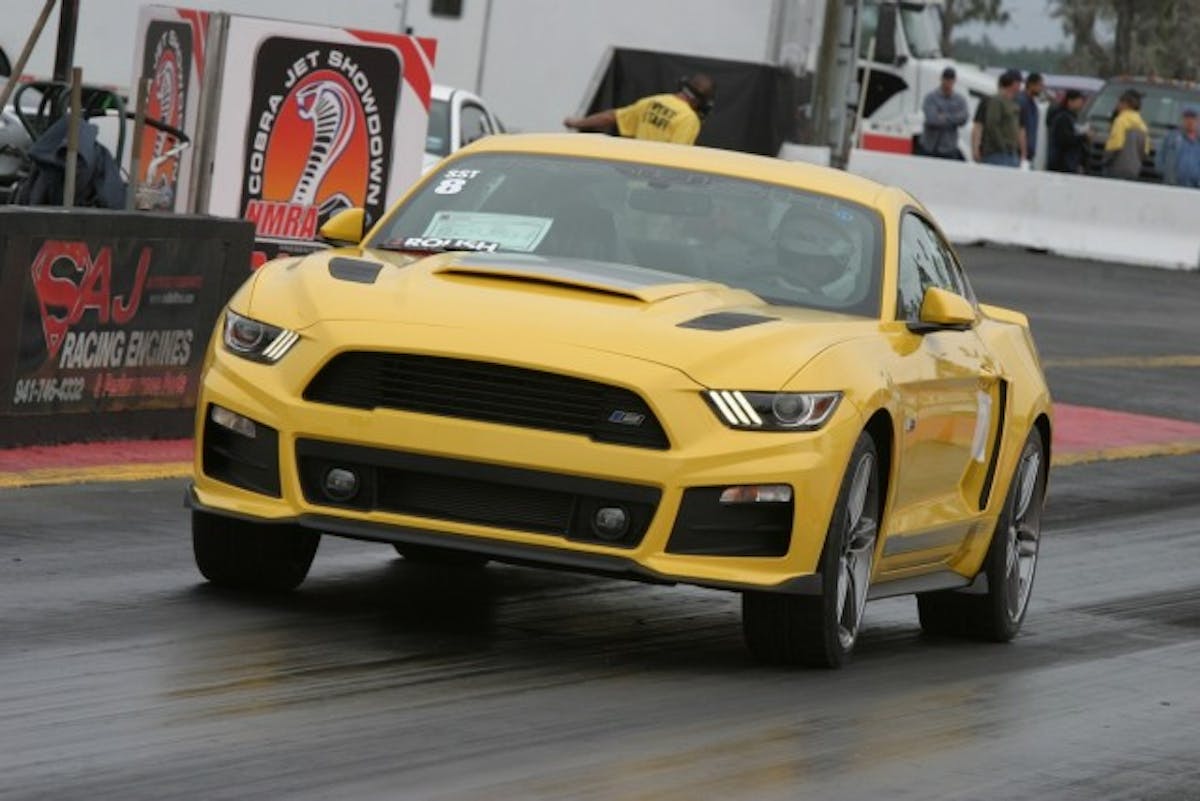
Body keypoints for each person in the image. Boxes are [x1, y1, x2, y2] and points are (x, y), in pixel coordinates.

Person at [563, 74, 716, 146]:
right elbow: (677, 156)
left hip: (634, 173)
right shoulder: (689, 119)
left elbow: (611, 117)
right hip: (657, 187)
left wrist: (577, 123)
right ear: (700, 102)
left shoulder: (652, 101)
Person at [972, 70, 1026, 167]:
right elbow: (986, 125)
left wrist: (1022, 152)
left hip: (1012, 153)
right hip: (996, 153)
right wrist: (976, 148)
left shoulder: (1016, 103)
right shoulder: (994, 101)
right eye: (1018, 82)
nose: (1020, 86)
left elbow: (1020, 129)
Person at [919, 67, 969, 159]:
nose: (948, 82)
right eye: (946, 79)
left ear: (954, 81)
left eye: (950, 80)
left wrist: (944, 116)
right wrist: (953, 118)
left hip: (949, 149)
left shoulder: (960, 100)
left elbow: (963, 118)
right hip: (929, 147)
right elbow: (931, 119)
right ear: (941, 79)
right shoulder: (931, 97)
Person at [1102, 89, 1149, 180]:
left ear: (1126, 104)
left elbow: (1115, 144)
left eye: (1119, 103)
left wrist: (1105, 159)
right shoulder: (1142, 125)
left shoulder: (1121, 120)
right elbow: (1145, 151)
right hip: (1134, 170)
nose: (1117, 106)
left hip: (1117, 167)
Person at [1046, 89, 1090, 174]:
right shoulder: (1063, 118)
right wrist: (1084, 137)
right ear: (1070, 101)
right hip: (1062, 164)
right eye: (1079, 101)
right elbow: (1065, 139)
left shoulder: (1072, 117)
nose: (1081, 104)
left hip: (1070, 164)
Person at [1155, 107, 1200, 188]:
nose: (1190, 121)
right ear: (1182, 120)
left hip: (1195, 188)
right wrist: (1166, 174)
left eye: (1193, 118)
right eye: (1187, 118)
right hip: (1172, 186)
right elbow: (1160, 157)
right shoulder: (1171, 137)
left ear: (1198, 120)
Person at [1017, 72, 1044, 166]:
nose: (1041, 89)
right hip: (1019, 153)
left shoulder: (1033, 105)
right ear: (1031, 85)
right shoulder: (1021, 101)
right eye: (1040, 85)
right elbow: (1020, 127)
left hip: (1029, 154)